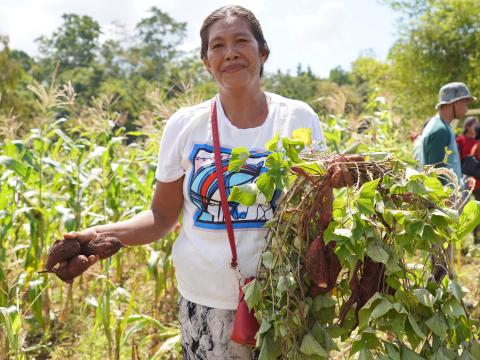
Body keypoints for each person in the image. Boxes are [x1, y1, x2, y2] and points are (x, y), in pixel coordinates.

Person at [61, 5, 355, 359]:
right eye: (217, 46)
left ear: (262, 53)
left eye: (241, 41)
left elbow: (318, 216)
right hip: (205, 302)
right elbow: (161, 217)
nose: (229, 52)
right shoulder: (186, 125)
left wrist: (334, 184)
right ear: (206, 62)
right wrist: (95, 237)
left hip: (283, 299)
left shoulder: (296, 118)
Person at [418, 82, 477, 186]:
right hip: (442, 200)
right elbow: (436, 175)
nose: (466, 109)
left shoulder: (440, 125)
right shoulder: (440, 130)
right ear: (454, 102)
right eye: (464, 104)